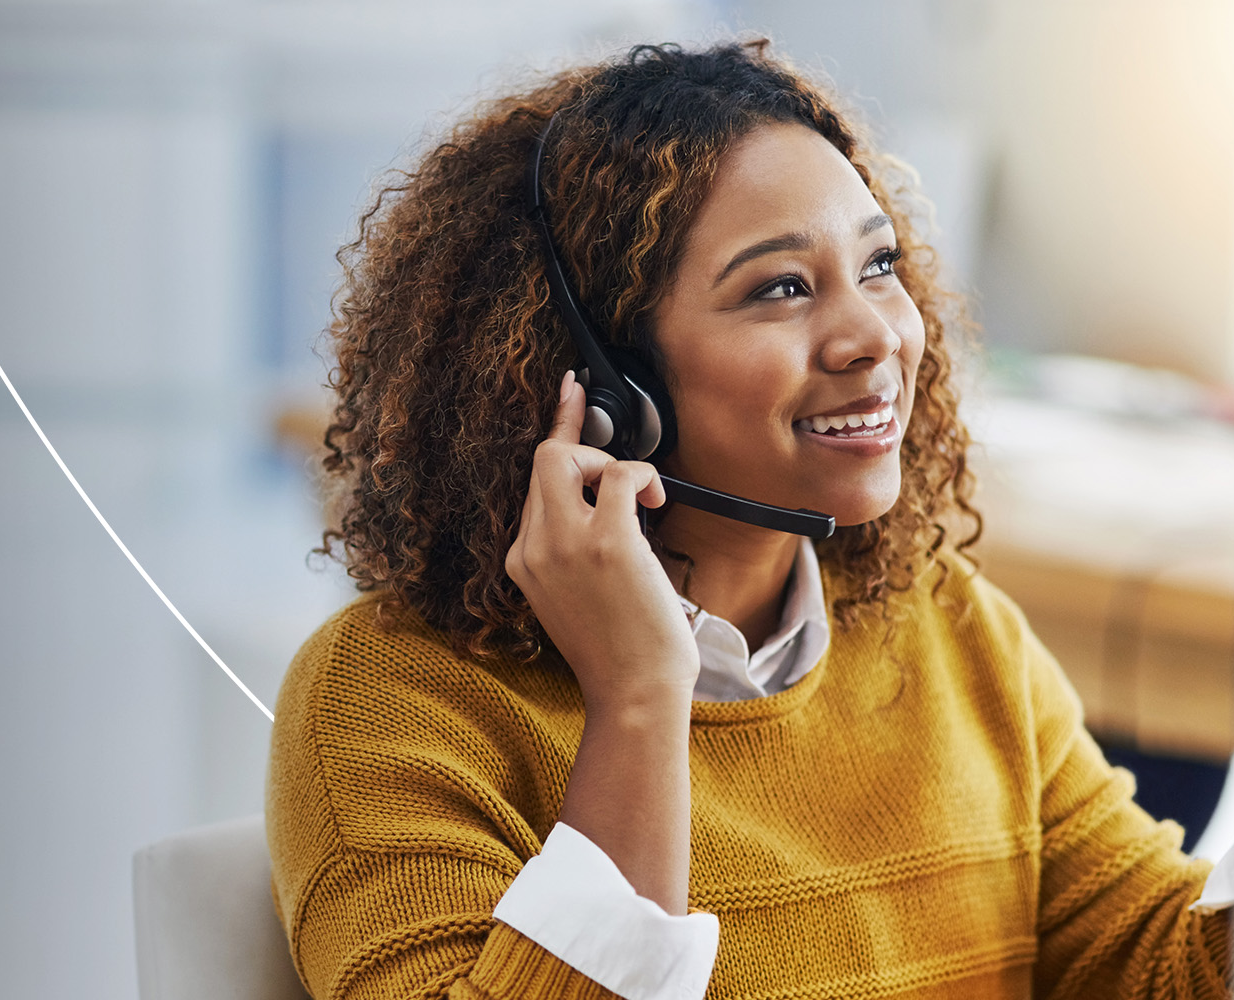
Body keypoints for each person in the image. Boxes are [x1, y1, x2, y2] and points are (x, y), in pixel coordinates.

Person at [265, 40, 1234, 1000]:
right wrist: (640, 700)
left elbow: (1158, 965)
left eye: (879, 264)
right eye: (780, 288)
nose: (874, 337)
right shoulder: (390, 704)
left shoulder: (947, 624)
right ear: (604, 380)